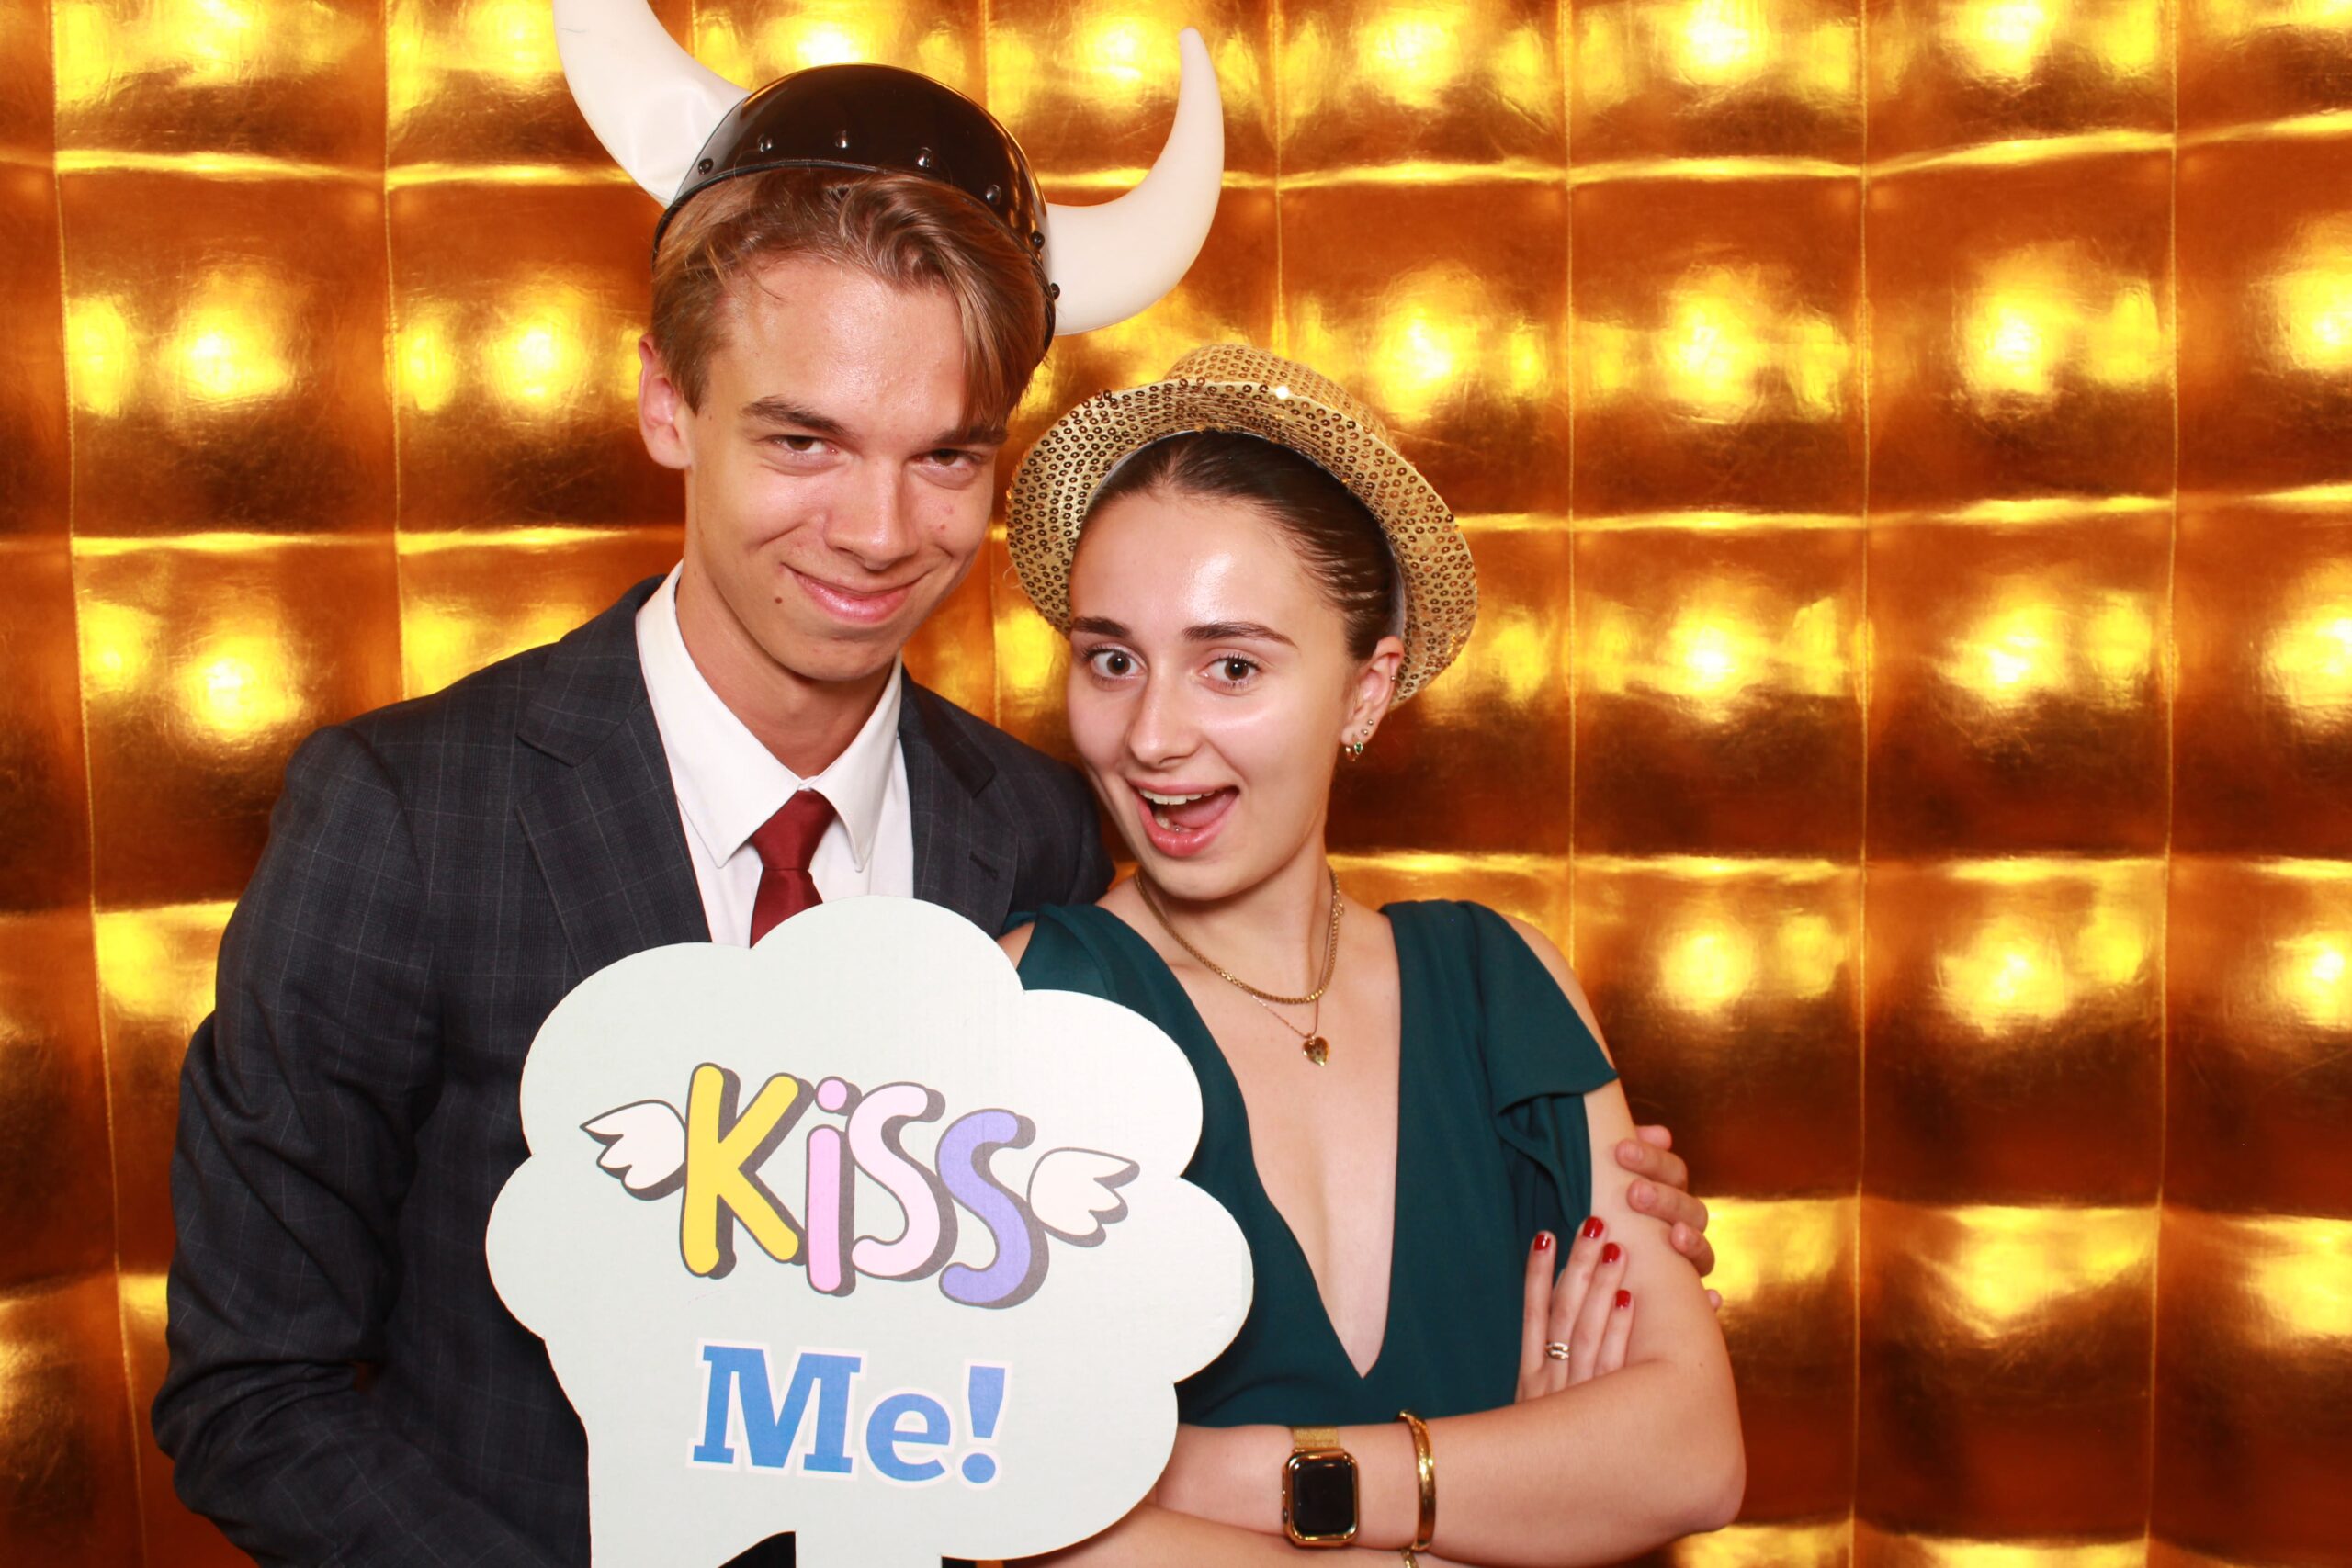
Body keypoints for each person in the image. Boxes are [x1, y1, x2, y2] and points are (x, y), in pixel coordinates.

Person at [153, 14, 1714, 1566]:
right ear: (667, 403)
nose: (878, 529)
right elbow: (256, 1393)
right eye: (804, 440)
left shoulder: (1040, 836)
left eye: (948, 457)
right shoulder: (404, 817)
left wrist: (1568, 1199)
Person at [998, 345, 1745, 1564]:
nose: (1152, 734)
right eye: (1111, 659)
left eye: (1231, 666)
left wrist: (1210, 1472)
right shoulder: (1030, 1005)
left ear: (1365, 689)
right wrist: (1496, 1498)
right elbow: (1028, 1512)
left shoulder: (1502, 982)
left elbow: (1691, 1455)